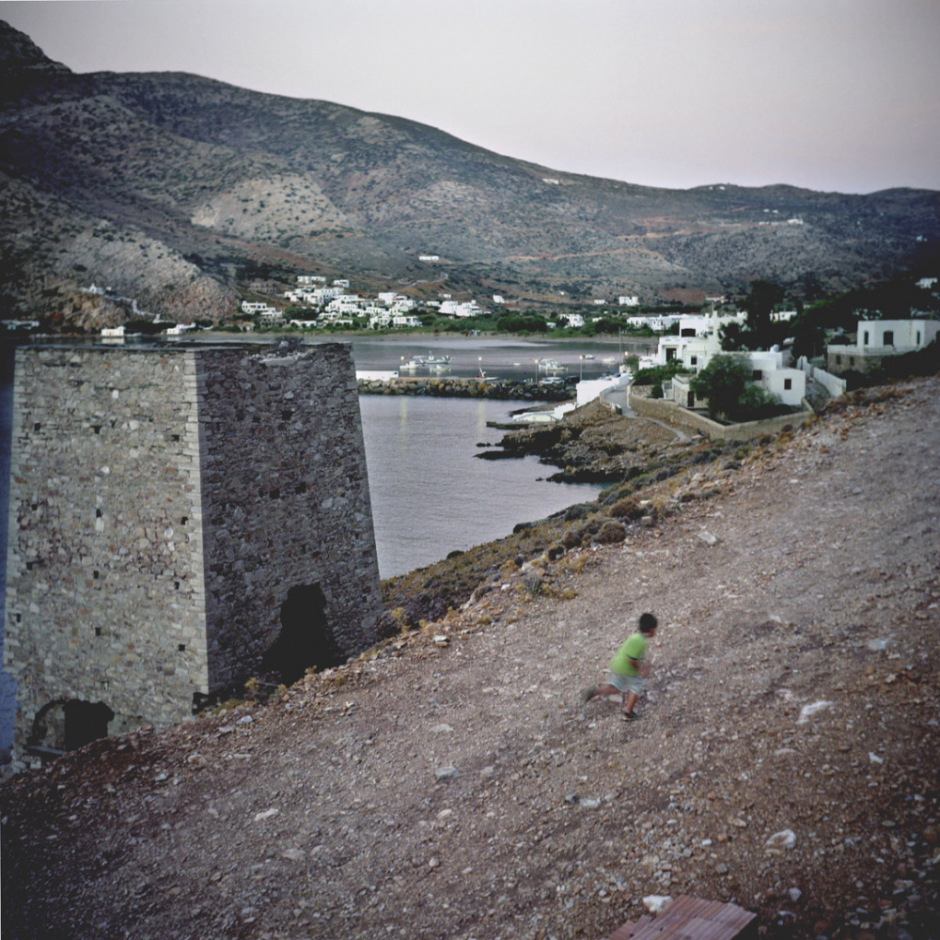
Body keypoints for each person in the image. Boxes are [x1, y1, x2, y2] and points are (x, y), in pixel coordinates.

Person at [581, 612, 658, 720]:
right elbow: (631, 659)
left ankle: (595, 692)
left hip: (616, 665)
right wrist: (639, 671)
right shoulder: (641, 641)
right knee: (636, 686)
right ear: (651, 629)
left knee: (616, 688)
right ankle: (628, 713)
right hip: (626, 668)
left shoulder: (634, 637)